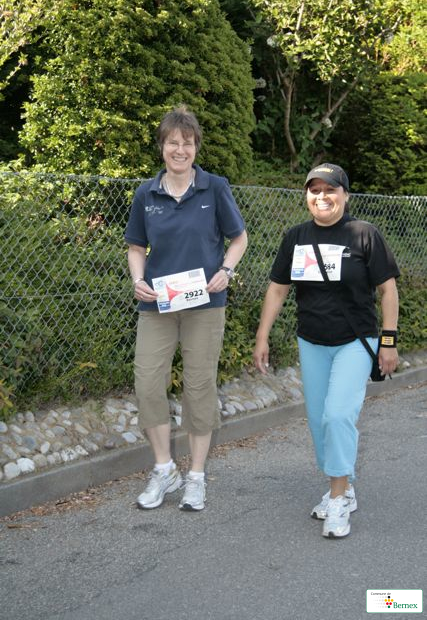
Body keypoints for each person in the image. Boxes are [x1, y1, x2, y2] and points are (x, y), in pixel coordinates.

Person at [253, 163, 399, 538]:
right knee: (319, 421)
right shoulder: (296, 237)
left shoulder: (364, 234)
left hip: (355, 341)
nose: (322, 197)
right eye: (314, 190)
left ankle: (337, 500)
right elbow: (277, 289)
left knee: (337, 416)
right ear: (306, 196)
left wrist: (388, 341)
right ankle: (344, 486)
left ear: (345, 195)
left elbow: (388, 290)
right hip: (311, 341)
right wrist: (262, 336)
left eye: (330, 189)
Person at [125, 105, 248, 511]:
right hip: (158, 304)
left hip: (205, 304)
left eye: (188, 143)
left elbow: (239, 238)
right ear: (161, 146)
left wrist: (226, 271)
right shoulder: (146, 193)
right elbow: (136, 246)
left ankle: (195, 476)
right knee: (147, 384)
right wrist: (138, 280)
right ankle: (164, 469)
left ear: (196, 147)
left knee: (199, 387)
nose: (180, 149)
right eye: (173, 142)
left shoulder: (214, 188)